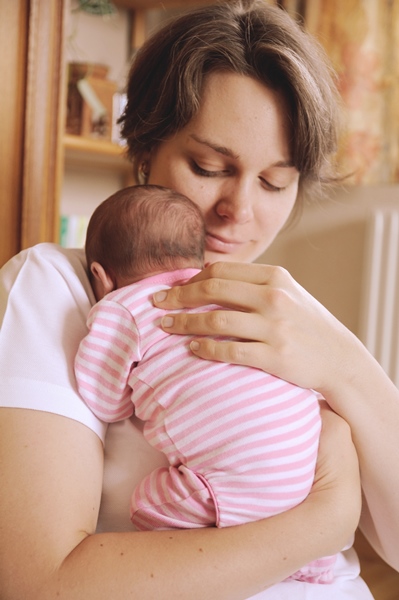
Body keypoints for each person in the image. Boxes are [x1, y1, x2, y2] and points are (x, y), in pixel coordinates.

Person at [0, 1, 398, 598]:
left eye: (273, 182)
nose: (239, 211)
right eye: (209, 166)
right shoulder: (56, 289)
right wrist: (322, 523)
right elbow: (39, 582)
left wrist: (348, 366)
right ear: (145, 149)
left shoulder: (291, 318)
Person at [75, 183, 337, 584]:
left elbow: (105, 400)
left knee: (148, 502)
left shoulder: (120, 307)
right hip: (300, 471)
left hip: (232, 486)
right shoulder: (241, 298)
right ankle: (311, 562)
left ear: (100, 275)